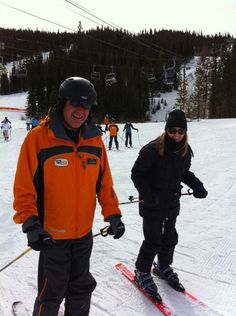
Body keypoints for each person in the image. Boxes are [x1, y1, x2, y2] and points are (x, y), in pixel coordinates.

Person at [13, 76, 125, 316]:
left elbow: (105, 184)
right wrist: (30, 223)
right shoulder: (38, 139)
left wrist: (113, 214)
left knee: (81, 290)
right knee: (51, 292)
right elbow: (24, 188)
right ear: (63, 103)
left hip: (83, 235)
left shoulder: (95, 141)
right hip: (52, 236)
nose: (80, 111)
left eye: (86, 106)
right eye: (75, 104)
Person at [131, 109, 208, 301]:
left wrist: (197, 186)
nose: (176, 135)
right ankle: (142, 270)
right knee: (153, 240)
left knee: (170, 237)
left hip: (171, 203)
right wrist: (148, 195)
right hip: (152, 203)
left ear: (185, 132)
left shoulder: (185, 151)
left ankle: (163, 266)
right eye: (173, 130)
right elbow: (137, 173)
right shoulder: (153, 149)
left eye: (181, 131)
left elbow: (184, 173)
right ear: (166, 130)